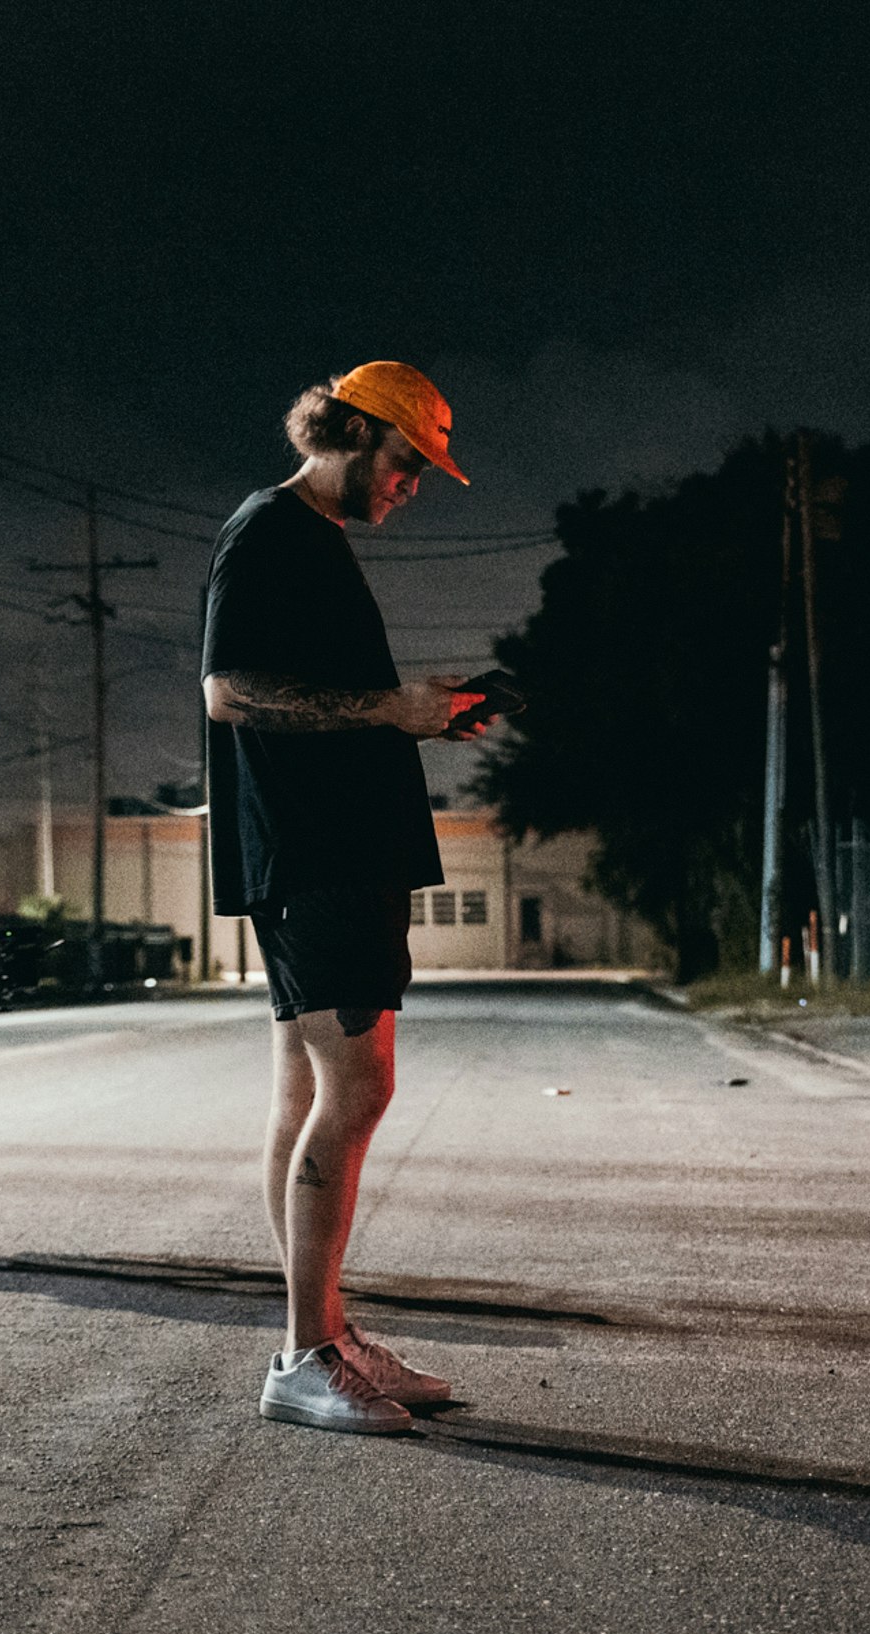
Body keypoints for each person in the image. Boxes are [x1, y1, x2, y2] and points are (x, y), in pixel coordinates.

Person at [202, 361, 485, 1435]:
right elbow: (230, 691)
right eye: (410, 460)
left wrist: (421, 711)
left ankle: (321, 1325)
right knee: (357, 1091)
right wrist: (390, 708)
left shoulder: (313, 539)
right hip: (315, 853)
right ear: (356, 431)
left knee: (302, 1096)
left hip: (333, 847)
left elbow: (329, 696)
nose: (414, 483)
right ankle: (304, 1354)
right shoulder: (268, 529)